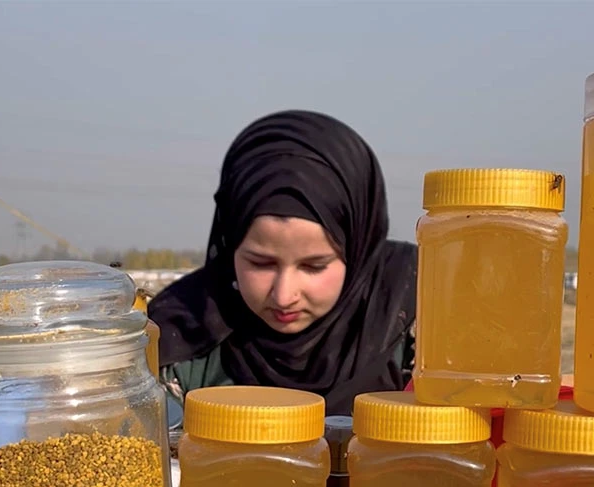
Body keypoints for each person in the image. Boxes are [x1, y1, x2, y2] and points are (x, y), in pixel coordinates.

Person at [148, 110, 418, 416]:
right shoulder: (176, 339)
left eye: (314, 266)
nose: (284, 295)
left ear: (359, 249)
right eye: (261, 263)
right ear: (230, 245)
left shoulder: (424, 314)